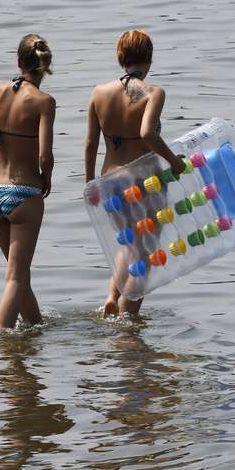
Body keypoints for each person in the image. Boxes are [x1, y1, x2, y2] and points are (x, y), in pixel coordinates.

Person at [85, 29, 186, 318]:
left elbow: (91, 142)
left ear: (121, 58)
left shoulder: (98, 93)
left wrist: (89, 183)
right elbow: (147, 133)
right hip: (144, 181)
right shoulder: (153, 93)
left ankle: (111, 298)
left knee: (128, 242)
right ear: (149, 58)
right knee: (145, 254)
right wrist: (174, 162)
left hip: (109, 181)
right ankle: (128, 322)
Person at [0, 34, 56, 330]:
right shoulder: (44, 102)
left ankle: (36, 327)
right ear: (45, 67)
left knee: (20, 276)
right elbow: (45, 155)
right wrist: (46, 178)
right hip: (23, 193)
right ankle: (2, 340)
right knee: (16, 278)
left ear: (19, 61)